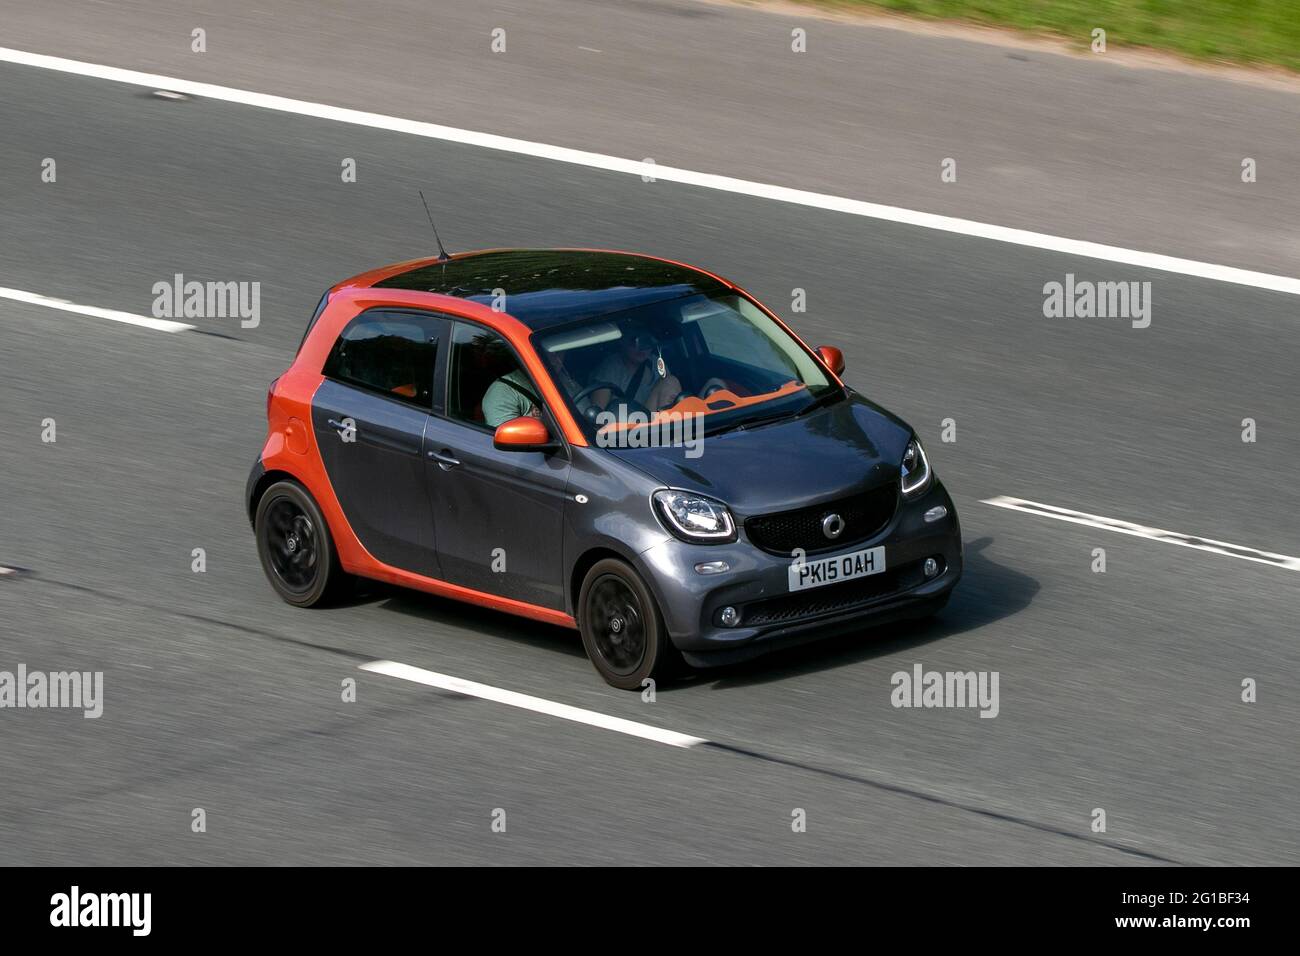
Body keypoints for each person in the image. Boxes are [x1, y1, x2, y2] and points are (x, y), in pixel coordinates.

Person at [591, 328, 682, 413]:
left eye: (647, 342)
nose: (641, 347)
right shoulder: (610, 368)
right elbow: (597, 416)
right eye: (633, 341)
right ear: (622, 341)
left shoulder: (657, 364)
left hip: (655, 427)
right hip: (622, 427)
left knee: (671, 381)